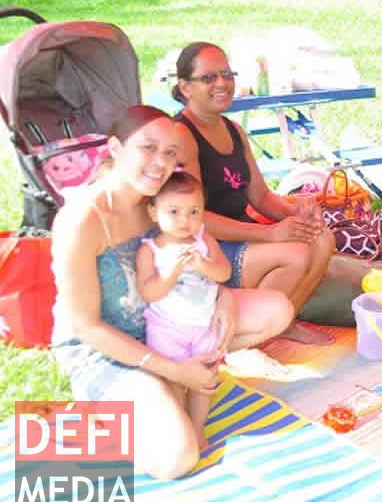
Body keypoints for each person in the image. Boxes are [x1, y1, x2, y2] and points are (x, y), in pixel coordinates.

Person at [50, 105, 293, 479]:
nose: (159, 162)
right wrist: (175, 371)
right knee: (178, 458)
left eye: (169, 153)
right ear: (115, 148)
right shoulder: (81, 219)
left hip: (166, 321)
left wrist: (224, 298)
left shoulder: (164, 197)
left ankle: (169, 384)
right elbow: (86, 328)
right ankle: (107, 404)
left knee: (277, 309)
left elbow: (208, 259)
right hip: (104, 349)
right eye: (148, 148)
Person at [171, 42, 336, 345]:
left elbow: (259, 196)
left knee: (322, 237)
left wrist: (299, 213)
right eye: (208, 78)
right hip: (204, 248)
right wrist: (270, 235)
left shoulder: (233, 129)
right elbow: (194, 219)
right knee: (294, 253)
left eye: (226, 74)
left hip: (240, 236)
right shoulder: (182, 135)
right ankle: (242, 335)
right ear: (185, 87)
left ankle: (283, 323)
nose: (221, 83)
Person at [136, 171, 231, 445]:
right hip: (167, 328)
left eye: (193, 212)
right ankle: (181, 427)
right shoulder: (151, 249)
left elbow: (223, 273)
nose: (184, 221)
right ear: (153, 212)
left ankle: (198, 427)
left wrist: (203, 264)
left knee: (206, 380)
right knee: (176, 380)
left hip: (204, 324)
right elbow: (149, 291)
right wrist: (172, 272)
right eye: (174, 211)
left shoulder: (203, 240)